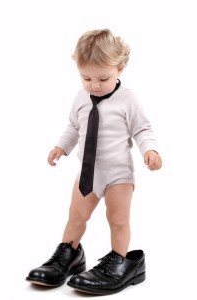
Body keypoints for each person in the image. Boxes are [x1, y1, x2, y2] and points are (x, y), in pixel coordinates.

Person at [26, 29, 162, 295]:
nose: (94, 85)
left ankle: (120, 263)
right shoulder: (80, 97)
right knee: (76, 215)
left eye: (103, 78)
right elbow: (74, 128)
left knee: (118, 219)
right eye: (86, 77)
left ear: (120, 68)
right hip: (88, 173)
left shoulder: (128, 99)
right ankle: (69, 254)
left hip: (118, 175)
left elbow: (142, 129)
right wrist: (60, 147)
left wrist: (151, 150)